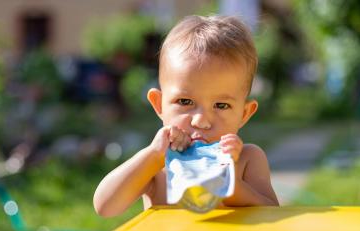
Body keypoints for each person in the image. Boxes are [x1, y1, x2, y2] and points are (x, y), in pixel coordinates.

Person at [93, 15, 279, 217]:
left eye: (221, 105)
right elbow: (105, 207)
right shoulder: (158, 166)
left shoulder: (247, 159)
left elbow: (273, 213)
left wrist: (228, 183)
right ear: (159, 105)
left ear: (244, 114)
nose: (201, 121)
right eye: (185, 102)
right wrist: (153, 156)